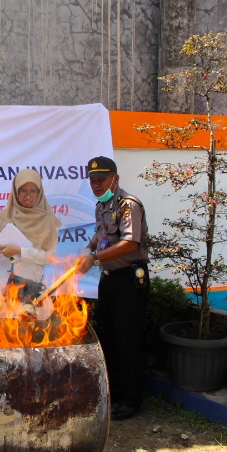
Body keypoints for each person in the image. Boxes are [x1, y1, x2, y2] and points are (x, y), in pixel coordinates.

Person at [76, 156, 150, 421]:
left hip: (129, 280)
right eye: (92, 180)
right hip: (109, 279)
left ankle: (132, 400)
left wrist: (94, 258)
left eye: (101, 180)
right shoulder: (102, 205)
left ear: (115, 179)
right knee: (108, 337)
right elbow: (102, 234)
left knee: (127, 340)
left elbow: (130, 243)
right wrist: (88, 248)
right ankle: (116, 391)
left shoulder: (127, 205)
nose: (96, 185)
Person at [0, 168, 62, 323]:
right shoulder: (2, 217)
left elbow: (49, 257)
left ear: (39, 193)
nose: (28, 196)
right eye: (23, 191)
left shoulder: (49, 222)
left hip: (27, 292)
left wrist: (20, 251)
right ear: (15, 192)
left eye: (33, 191)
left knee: (25, 333)